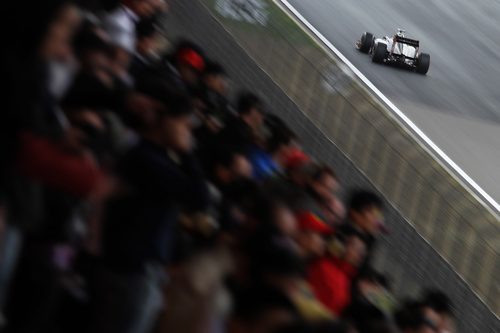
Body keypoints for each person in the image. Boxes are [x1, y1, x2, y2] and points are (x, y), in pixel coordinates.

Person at [88, 92, 209, 333]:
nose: (188, 133)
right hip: (129, 271)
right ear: (167, 121)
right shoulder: (147, 159)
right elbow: (199, 198)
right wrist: (187, 153)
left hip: (131, 267)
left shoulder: (153, 156)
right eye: (184, 124)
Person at [307, 229, 368, 316]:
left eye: (362, 252)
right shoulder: (322, 266)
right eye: (356, 248)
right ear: (341, 245)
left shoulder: (348, 279)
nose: (359, 254)